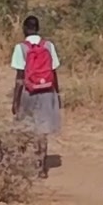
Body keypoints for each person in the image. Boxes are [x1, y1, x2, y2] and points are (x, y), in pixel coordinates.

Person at [11, 16, 62, 147]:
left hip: (28, 92)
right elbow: (53, 72)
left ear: (24, 29)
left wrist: (15, 101)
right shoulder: (49, 46)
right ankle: (42, 161)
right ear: (38, 29)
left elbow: (20, 78)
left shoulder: (20, 48)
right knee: (43, 130)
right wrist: (57, 94)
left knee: (27, 126)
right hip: (47, 90)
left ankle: (30, 158)